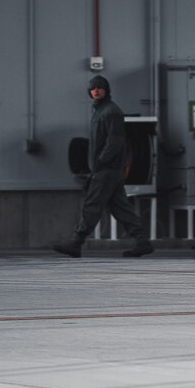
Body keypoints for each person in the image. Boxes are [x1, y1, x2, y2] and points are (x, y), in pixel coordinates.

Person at [54, 75, 154, 258]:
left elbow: (115, 142)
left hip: (106, 169)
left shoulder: (111, 112)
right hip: (109, 169)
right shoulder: (100, 111)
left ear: (106, 90)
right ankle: (142, 242)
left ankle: (76, 242)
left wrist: (99, 162)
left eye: (100, 87)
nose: (96, 90)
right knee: (121, 208)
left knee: (92, 205)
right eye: (93, 88)